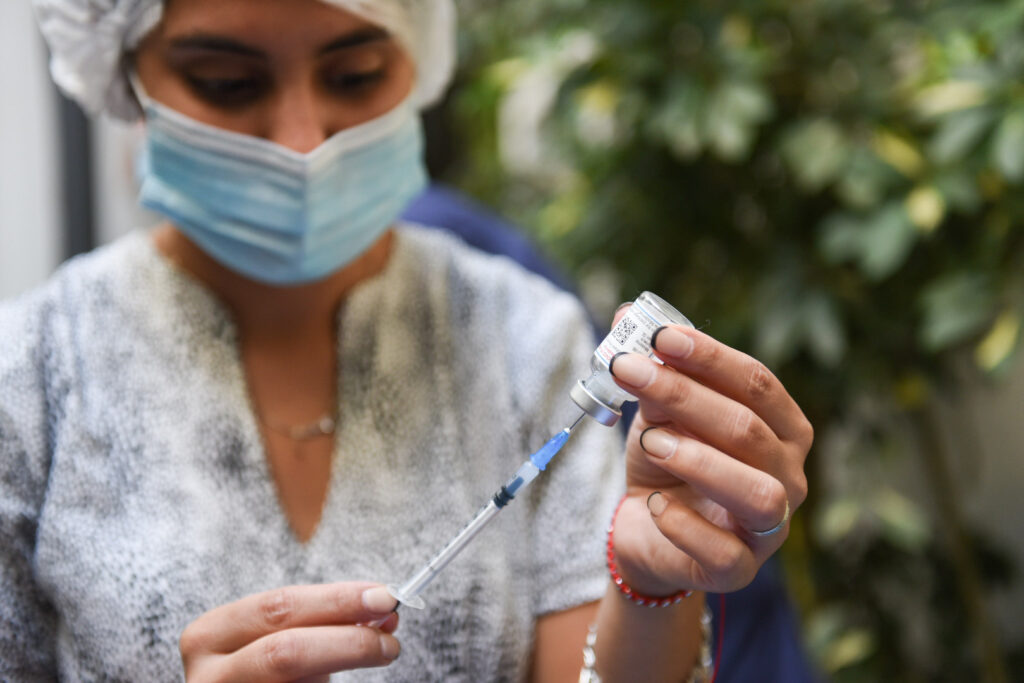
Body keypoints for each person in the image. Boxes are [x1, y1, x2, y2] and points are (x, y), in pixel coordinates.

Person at [1, 0, 813, 681]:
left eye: (354, 75)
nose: (303, 143)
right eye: (228, 82)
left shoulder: (523, 338)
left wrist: (653, 587)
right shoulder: (29, 378)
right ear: (125, 72)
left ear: (416, 52)